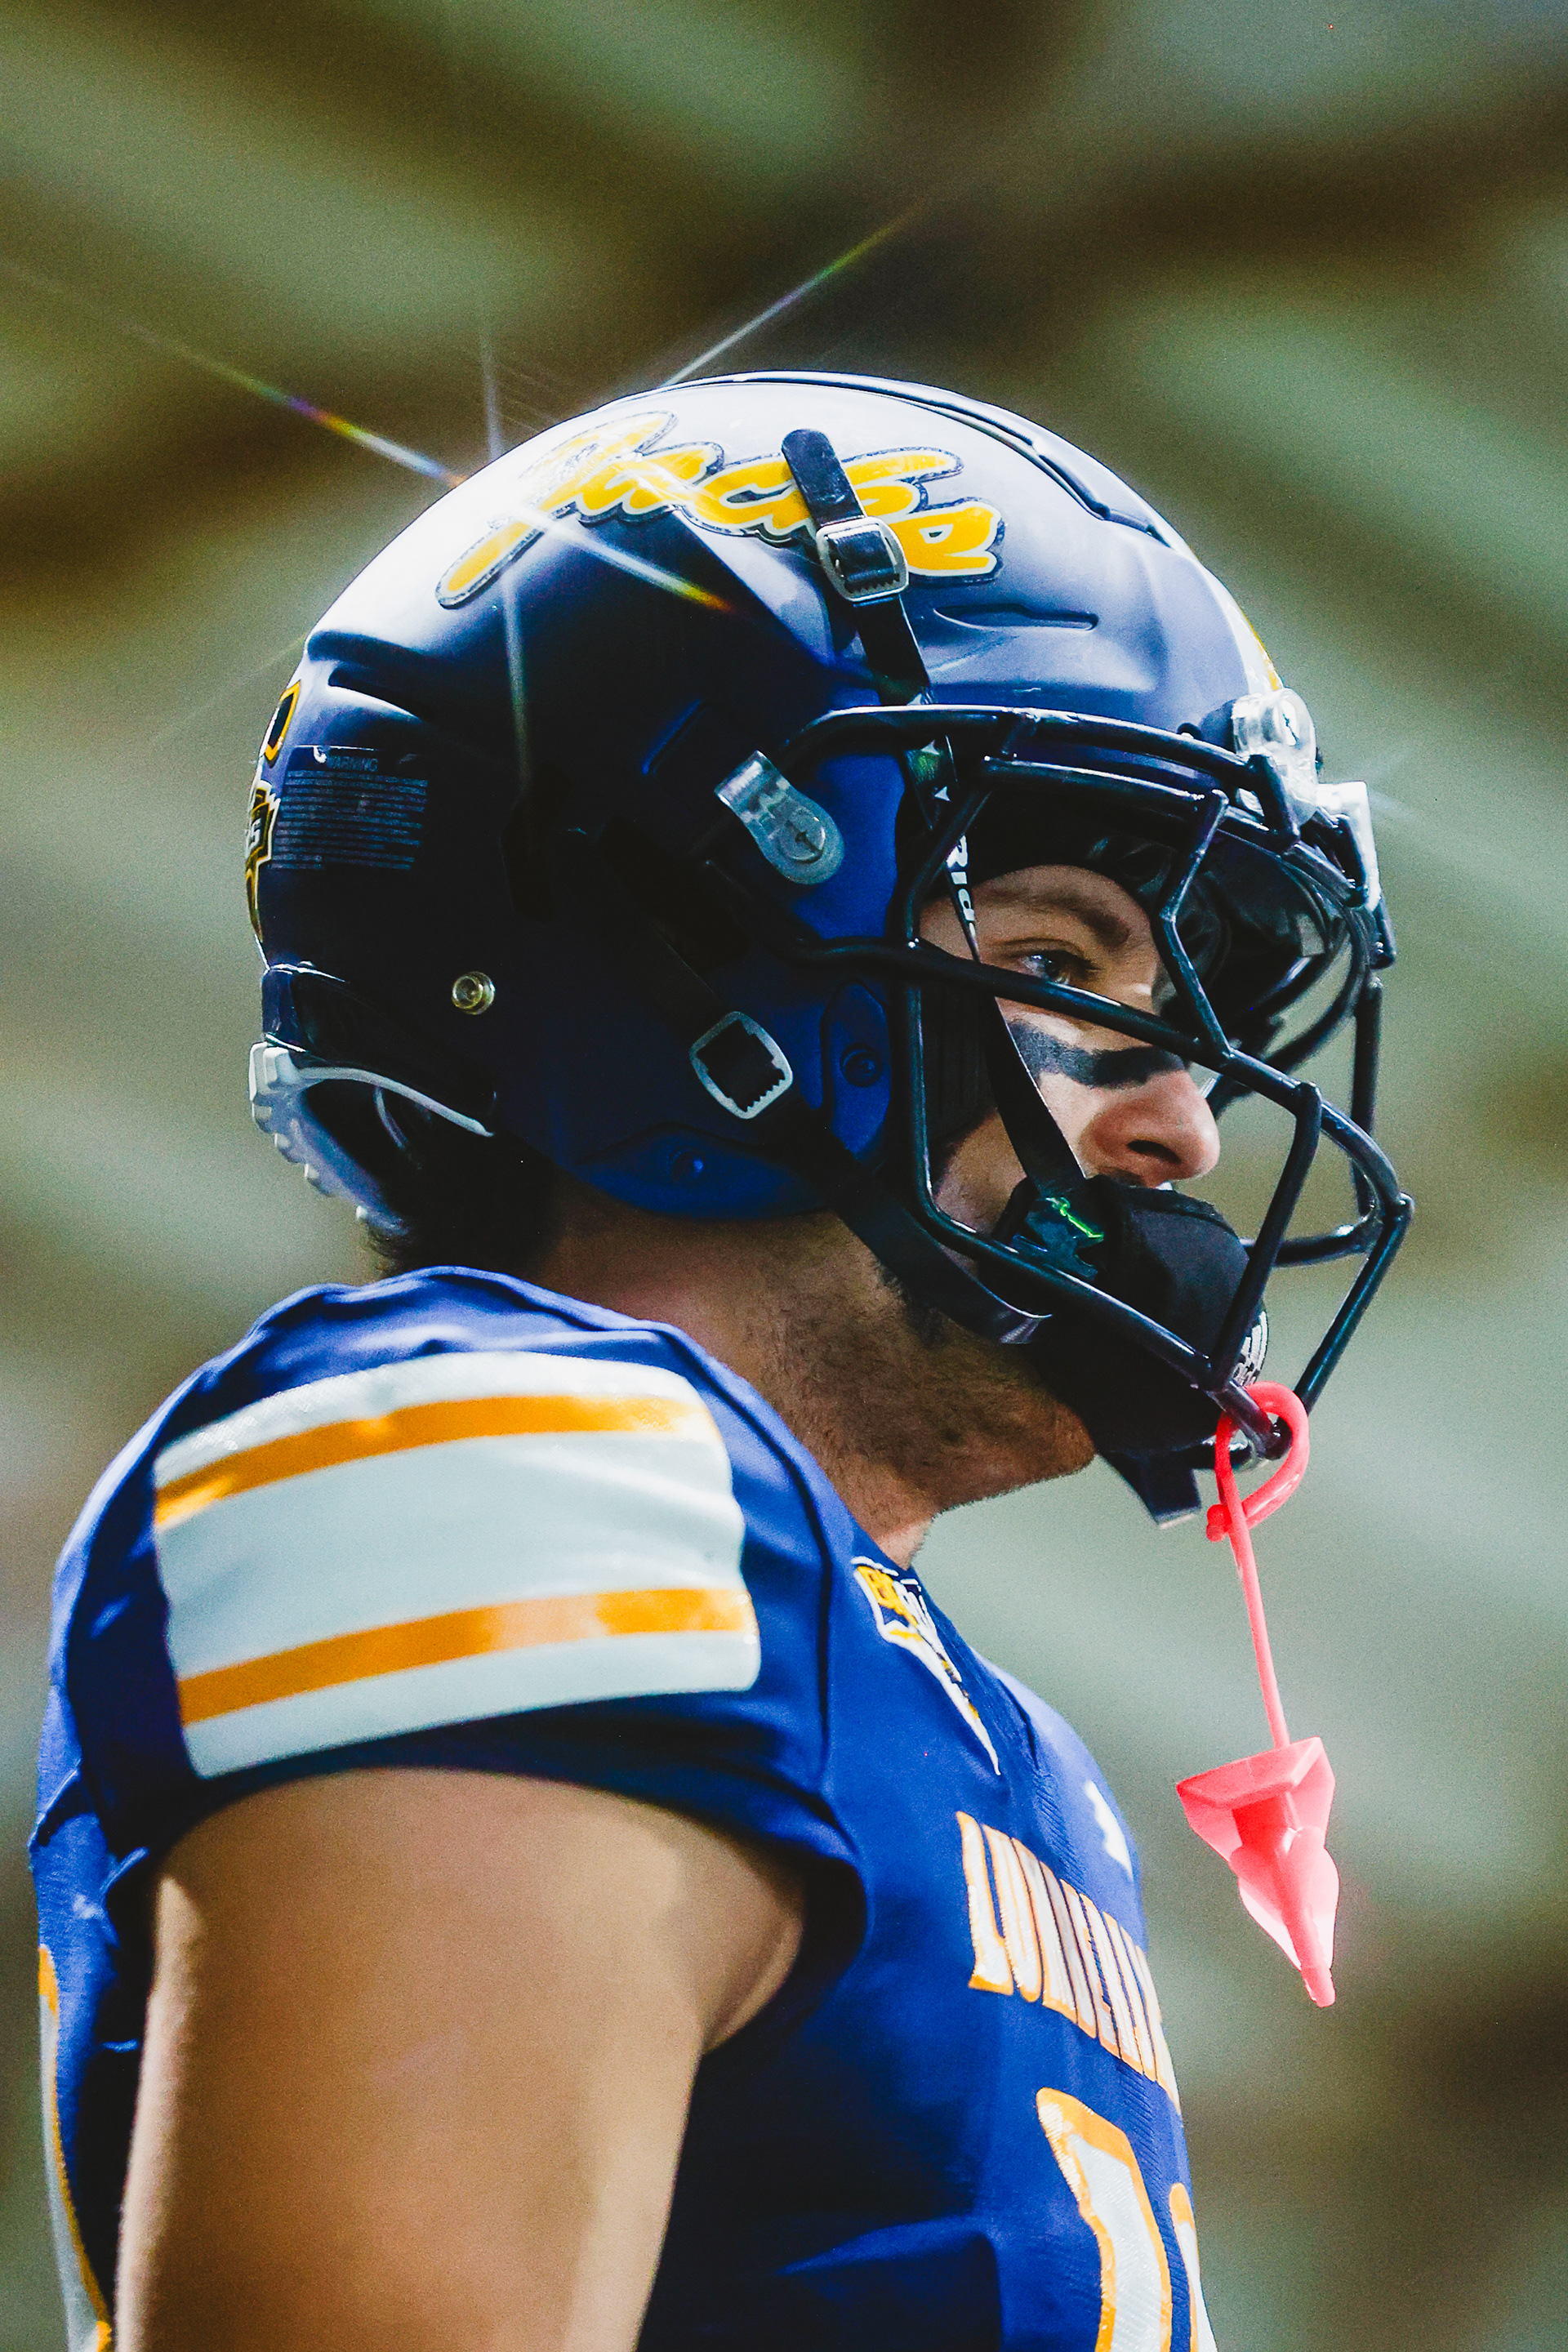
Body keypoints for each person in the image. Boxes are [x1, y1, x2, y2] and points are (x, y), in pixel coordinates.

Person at [32, 375, 1408, 2351]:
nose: (1184, 1130)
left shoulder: (982, 1740)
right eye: (1070, 958)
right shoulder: (516, 1458)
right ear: (699, 919)